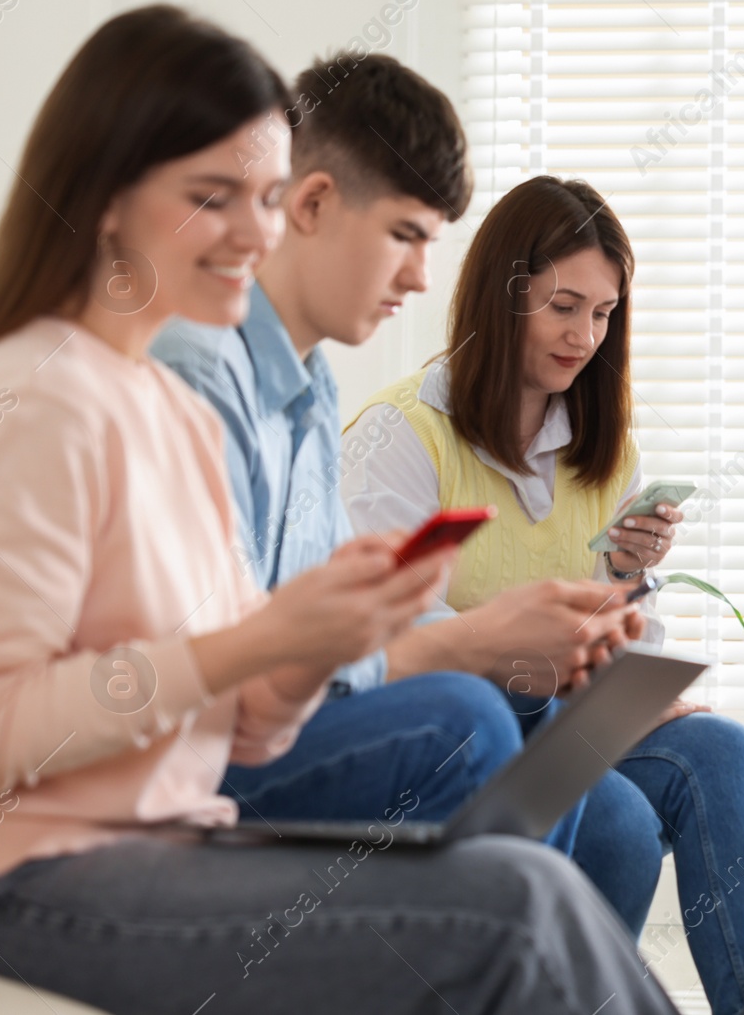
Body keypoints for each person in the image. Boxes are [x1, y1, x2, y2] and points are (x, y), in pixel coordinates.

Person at [0, 5, 677, 1015]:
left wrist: (322, 637)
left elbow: (236, 728)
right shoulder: (39, 399)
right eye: (213, 198)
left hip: (164, 836)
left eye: (268, 197)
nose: (257, 231)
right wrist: (262, 644)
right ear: (105, 201)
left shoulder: (158, 407)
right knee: (514, 908)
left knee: (530, 886)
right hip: (2, 878)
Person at [150, 51, 646, 861]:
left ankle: (507, 965)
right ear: (312, 204)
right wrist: (463, 639)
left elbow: (309, 633)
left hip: (289, 709)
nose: (420, 278)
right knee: (474, 713)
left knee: (610, 817)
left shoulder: (310, 390)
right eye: (405, 236)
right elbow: (228, 675)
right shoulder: (199, 377)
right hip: (204, 751)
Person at [342, 175, 744, 1015]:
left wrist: (629, 587)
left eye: (602, 313)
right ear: (503, 294)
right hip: (466, 731)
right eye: (563, 305)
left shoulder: (601, 449)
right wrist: (542, 658)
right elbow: (388, 640)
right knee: (620, 823)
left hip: (573, 724)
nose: (585, 334)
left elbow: (619, 628)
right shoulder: (400, 436)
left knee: (728, 753)